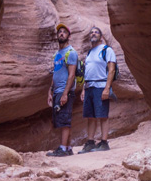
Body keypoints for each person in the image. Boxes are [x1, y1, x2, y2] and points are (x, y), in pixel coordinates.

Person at [78, 26, 116, 152]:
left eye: (96, 32)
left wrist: (107, 88)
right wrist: (84, 89)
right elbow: (87, 72)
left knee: (102, 115)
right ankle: (90, 142)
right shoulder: (89, 53)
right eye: (92, 32)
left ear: (101, 36)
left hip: (101, 86)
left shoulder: (107, 50)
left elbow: (111, 70)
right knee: (90, 116)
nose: (93, 34)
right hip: (89, 87)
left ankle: (104, 143)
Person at [45, 23, 78, 157]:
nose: (61, 34)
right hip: (57, 91)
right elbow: (56, 73)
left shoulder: (71, 53)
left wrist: (65, 93)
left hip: (66, 91)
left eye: (64, 32)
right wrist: (50, 91)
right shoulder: (58, 54)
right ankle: (68, 148)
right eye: (59, 32)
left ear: (69, 36)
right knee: (63, 120)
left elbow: (71, 74)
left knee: (64, 120)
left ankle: (63, 148)